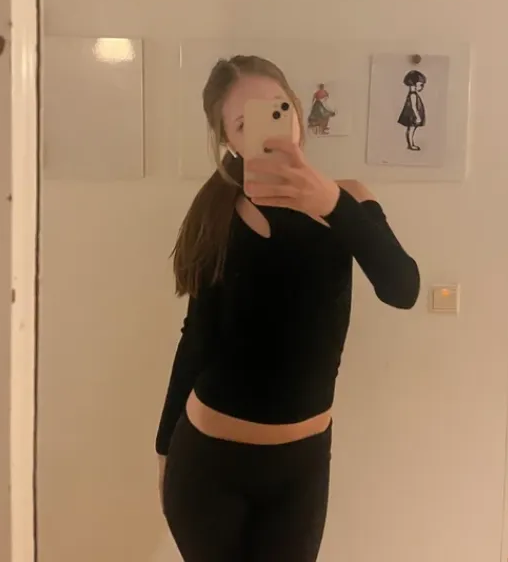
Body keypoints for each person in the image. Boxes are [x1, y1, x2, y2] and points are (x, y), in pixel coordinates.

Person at [157, 55, 420, 562]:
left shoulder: (349, 199)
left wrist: (331, 204)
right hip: (209, 464)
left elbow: (402, 288)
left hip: (302, 468)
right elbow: (197, 335)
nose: (268, 128)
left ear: (297, 110)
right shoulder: (218, 211)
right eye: (243, 123)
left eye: (277, 108)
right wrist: (164, 445)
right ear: (229, 140)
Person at [398, 69, 427, 151]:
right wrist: (418, 117)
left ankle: (410, 144)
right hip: (412, 116)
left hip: (412, 115)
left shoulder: (413, 94)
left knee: (411, 129)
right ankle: (411, 145)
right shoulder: (413, 95)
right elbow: (414, 107)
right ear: (414, 84)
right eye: (420, 85)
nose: (421, 87)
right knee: (411, 129)